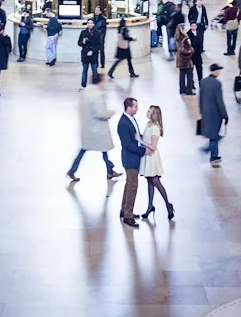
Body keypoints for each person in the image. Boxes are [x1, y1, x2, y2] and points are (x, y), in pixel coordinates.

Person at [67, 73, 122, 181]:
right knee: (104, 149)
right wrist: (111, 112)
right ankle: (109, 171)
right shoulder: (98, 95)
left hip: (87, 127)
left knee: (86, 150)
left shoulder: (85, 92)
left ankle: (109, 170)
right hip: (98, 130)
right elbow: (101, 114)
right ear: (100, 82)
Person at [139, 105, 174, 220]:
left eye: (149, 111)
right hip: (148, 157)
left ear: (153, 114)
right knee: (149, 181)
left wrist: (140, 141)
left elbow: (153, 147)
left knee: (155, 181)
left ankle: (168, 204)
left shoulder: (155, 128)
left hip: (152, 157)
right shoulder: (149, 124)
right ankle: (150, 206)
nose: (146, 112)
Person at [117, 98, 145, 227]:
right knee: (133, 186)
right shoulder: (123, 123)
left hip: (132, 158)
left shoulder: (130, 119)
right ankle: (128, 216)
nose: (137, 109)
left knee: (129, 185)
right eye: (135, 106)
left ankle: (124, 210)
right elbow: (127, 144)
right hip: (130, 159)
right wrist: (143, 151)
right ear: (128, 107)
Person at [198, 64, 228, 166]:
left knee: (213, 135)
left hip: (206, 112)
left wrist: (201, 111)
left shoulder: (203, 82)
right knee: (214, 136)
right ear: (215, 71)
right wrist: (225, 114)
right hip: (215, 114)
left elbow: (201, 98)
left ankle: (210, 151)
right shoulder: (217, 84)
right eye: (219, 70)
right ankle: (213, 156)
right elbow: (220, 101)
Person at [78, 19, 101, 89]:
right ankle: (83, 85)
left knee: (94, 70)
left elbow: (100, 45)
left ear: (93, 24)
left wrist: (92, 51)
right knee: (84, 70)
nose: (90, 24)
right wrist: (83, 42)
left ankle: (95, 85)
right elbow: (79, 43)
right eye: (88, 23)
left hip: (93, 55)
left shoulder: (97, 33)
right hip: (85, 54)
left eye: (91, 23)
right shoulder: (83, 32)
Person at [175, 22, 195, 95]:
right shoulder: (185, 38)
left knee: (182, 74)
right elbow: (189, 49)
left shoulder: (177, 37)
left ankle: (182, 89)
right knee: (189, 74)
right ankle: (189, 90)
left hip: (180, 58)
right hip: (186, 59)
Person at [188, 20, 205, 89]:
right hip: (191, 55)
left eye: (194, 26)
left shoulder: (199, 33)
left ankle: (201, 83)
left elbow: (201, 43)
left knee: (200, 70)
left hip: (198, 55)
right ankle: (191, 84)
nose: (193, 27)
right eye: (192, 26)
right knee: (191, 71)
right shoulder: (188, 34)